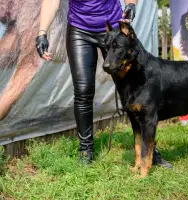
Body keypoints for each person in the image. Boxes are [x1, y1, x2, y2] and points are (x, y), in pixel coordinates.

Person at [35, 0, 172, 168]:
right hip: (79, 30)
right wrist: (42, 33)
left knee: (138, 91)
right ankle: (86, 152)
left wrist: (131, 5)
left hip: (112, 28)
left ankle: (150, 151)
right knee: (83, 91)